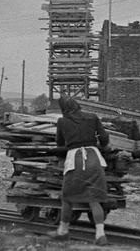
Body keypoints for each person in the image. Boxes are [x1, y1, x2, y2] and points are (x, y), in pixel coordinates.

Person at [49, 95, 110, 246]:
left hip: (75, 160)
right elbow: (104, 137)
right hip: (94, 157)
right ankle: (100, 235)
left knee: (67, 197)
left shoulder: (62, 121)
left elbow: (59, 143)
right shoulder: (92, 117)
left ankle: (62, 231)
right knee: (94, 199)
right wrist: (102, 145)